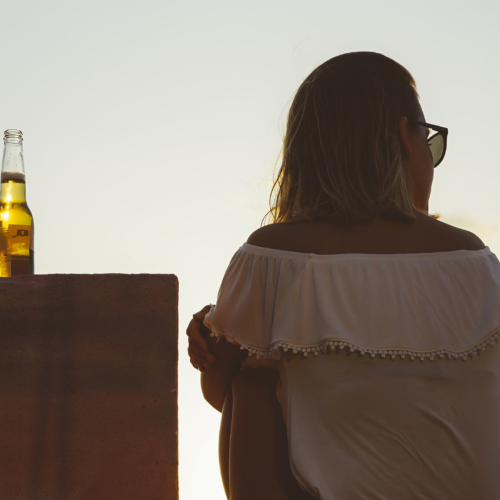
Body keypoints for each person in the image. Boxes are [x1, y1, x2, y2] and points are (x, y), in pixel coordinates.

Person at [186, 51, 500, 499]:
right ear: (402, 138)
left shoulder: (275, 256)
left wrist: (217, 334)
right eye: (430, 141)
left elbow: (219, 393)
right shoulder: (479, 263)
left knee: (250, 381)